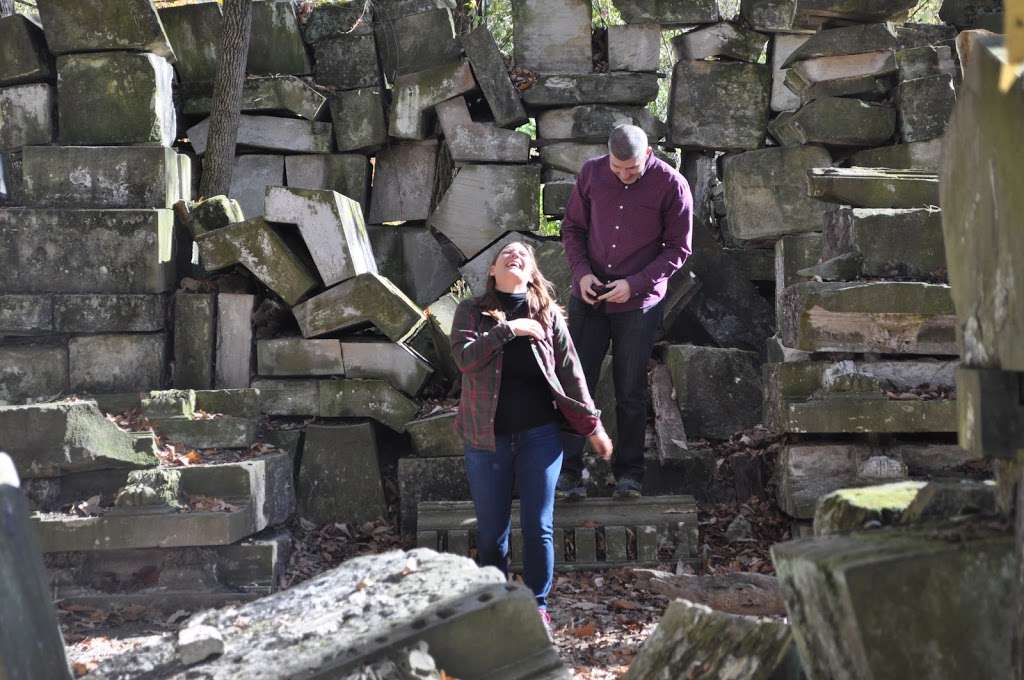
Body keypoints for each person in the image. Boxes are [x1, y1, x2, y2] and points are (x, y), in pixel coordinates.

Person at [450, 240, 613, 629]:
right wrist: (508, 330)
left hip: (539, 437)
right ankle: (496, 600)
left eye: (524, 253)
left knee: (538, 526)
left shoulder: (548, 316)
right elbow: (465, 359)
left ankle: (537, 604)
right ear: (492, 270)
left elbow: (572, 373)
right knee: (492, 532)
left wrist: (594, 428)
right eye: (506, 253)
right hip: (485, 438)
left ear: (532, 272)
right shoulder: (471, 311)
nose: (515, 255)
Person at [559, 124, 693, 500]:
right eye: (618, 169)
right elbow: (572, 229)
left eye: (631, 169)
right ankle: (568, 475)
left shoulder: (672, 184)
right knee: (575, 384)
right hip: (589, 297)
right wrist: (582, 273)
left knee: (629, 390)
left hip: (639, 303)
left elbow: (678, 250)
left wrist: (633, 284)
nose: (624, 175)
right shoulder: (591, 173)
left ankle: (629, 477)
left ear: (648, 153)